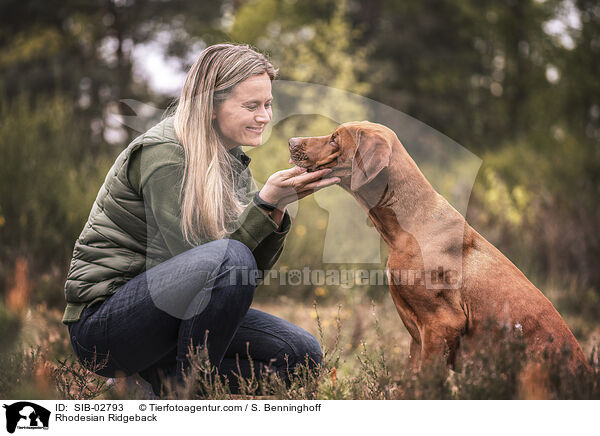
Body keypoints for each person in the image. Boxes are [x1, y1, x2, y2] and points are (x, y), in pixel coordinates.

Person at [62, 43, 340, 397]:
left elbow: (240, 277)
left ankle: (162, 384)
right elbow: (201, 261)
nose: (265, 117)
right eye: (251, 106)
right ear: (211, 106)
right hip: (107, 326)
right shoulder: (165, 155)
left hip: (171, 319)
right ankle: (187, 399)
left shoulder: (230, 159)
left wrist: (275, 209)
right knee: (228, 257)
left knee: (301, 355)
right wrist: (262, 203)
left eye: (268, 104)